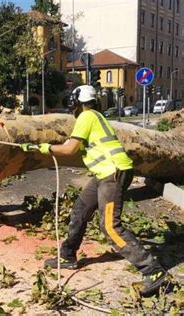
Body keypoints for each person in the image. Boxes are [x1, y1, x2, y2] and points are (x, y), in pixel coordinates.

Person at [22, 85, 168, 297]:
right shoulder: (95, 116)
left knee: (109, 226)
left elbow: (69, 149)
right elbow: (78, 148)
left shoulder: (86, 116)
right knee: (80, 210)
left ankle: (153, 271)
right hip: (104, 173)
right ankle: (68, 256)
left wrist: (44, 148)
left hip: (113, 173)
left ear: (77, 102)